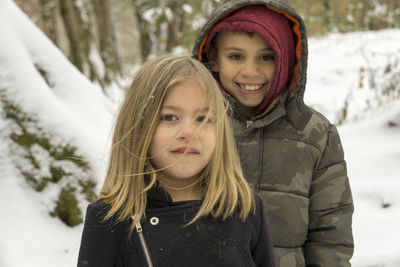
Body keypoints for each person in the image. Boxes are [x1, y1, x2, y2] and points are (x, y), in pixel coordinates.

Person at [193, 1, 354, 266]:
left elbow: (330, 237)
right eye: (236, 56)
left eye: (267, 57)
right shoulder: (194, 126)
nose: (251, 72)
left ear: (287, 60)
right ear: (213, 59)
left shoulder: (315, 135)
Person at [77, 54, 276, 267]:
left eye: (202, 119)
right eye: (169, 117)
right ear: (137, 127)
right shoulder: (109, 219)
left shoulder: (244, 208)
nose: (189, 133)